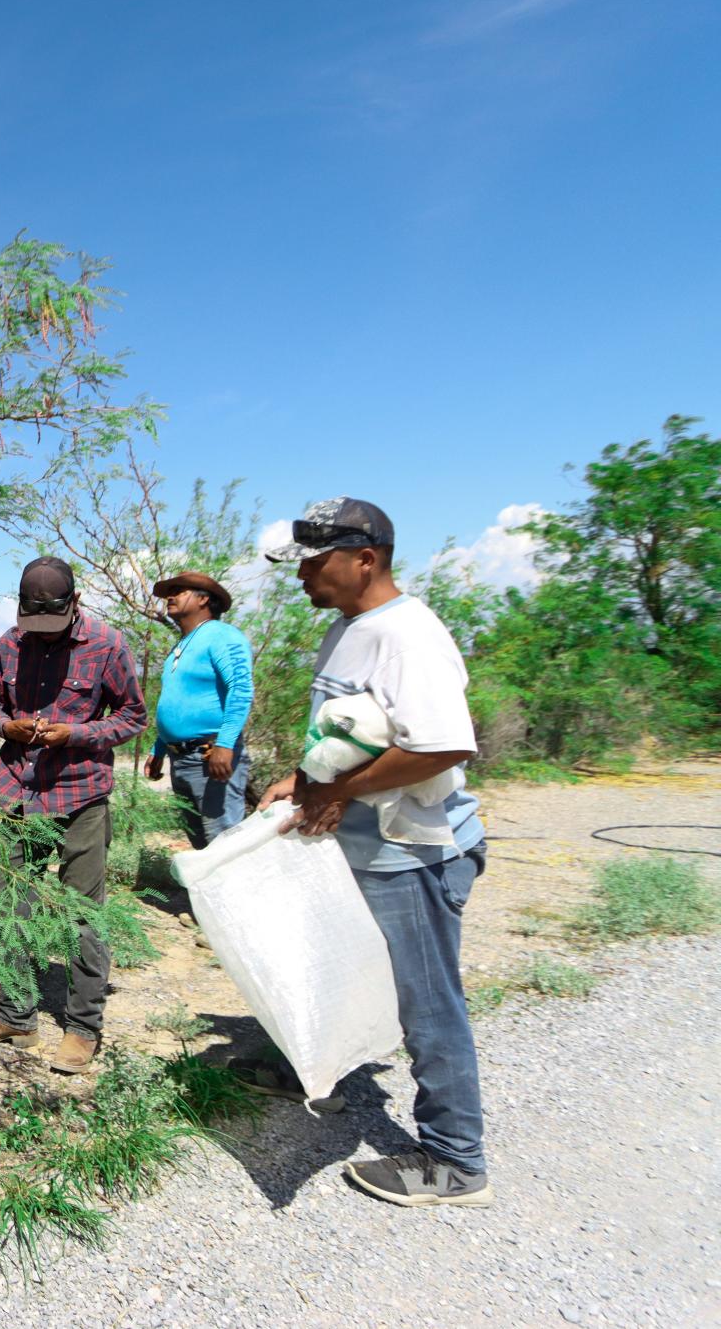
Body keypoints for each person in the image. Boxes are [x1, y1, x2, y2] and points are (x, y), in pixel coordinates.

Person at [256, 497, 493, 1208]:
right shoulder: (348, 628)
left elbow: (443, 743)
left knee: (428, 1003)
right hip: (362, 849)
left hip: (412, 855)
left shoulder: (407, 634)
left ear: (366, 558)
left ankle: (456, 1159)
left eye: (314, 561)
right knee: (339, 971)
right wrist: (299, 781)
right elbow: (344, 732)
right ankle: (318, 1075)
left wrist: (341, 794)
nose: (301, 575)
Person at [0, 556, 147, 1073]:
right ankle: (15, 1015)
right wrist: (8, 727)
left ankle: (83, 1028)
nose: (40, 636)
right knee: (6, 902)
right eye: (31, 624)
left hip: (81, 795)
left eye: (51, 625)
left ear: (75, 604)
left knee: (85, 914)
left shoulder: (107, 644)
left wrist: (77, 733)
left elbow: (132, 716)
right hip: (20, 793)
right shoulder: (7, 646)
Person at [143, 572, 254, 849]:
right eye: (171, 591)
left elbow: (240, 689)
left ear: (204, 599)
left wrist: (226, 744)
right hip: (181, 760)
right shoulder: (181, 645)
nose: (171, 596)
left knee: (224, 848)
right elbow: (178, 702)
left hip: (210, 758)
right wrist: (159, 749)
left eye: (180, 591)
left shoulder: (222, 635)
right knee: (203, 847)